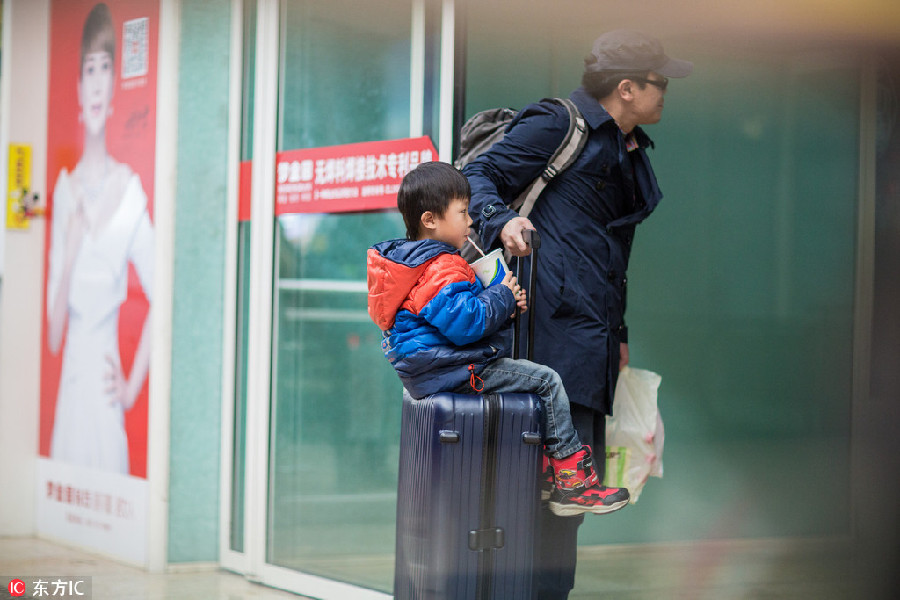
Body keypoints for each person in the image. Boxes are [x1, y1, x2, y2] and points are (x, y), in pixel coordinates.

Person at [462, 29, 692, 599]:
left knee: (570, 499)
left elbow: (609, 254)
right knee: (534, 496)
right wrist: (499, 220)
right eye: (660, 83)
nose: (667, 92)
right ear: (627, 88)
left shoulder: (624, 145)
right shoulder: (559, 124)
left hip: (589, 338)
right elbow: (474, 176)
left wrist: (619, 335)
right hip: (543, 337)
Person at [367, 161, 630, 516]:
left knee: (530, 383)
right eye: (462, 212)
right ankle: (572, 483)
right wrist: (503, 296)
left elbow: (453, 316)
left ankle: (546, 469)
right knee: (547, 381)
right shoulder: (442, 265)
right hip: (456, 372)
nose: (471, 221)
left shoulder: (414, 264)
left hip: (433, 371)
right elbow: (465, 323)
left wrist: (501, 304)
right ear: (430, 219)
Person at [46, 2, 154, 474]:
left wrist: (130, 387)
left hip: (105, 395)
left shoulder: (130, 191)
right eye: (88, 68)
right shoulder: (64, 191)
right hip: (70, 396)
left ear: (113, 86)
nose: (94, 80)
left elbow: (161, 298)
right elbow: (52, 335)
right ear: (78, 85)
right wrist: (70, 251)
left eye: (104, 67)